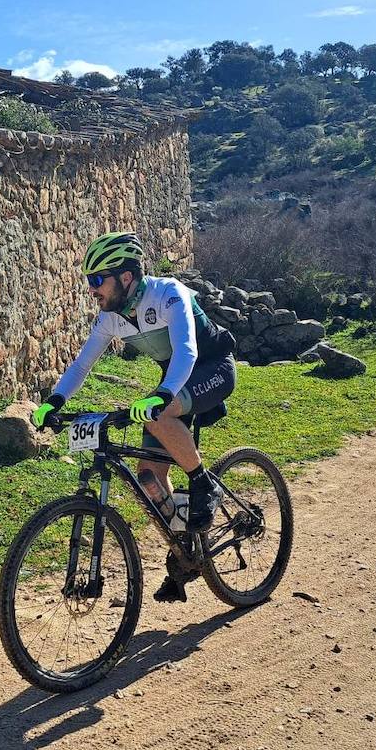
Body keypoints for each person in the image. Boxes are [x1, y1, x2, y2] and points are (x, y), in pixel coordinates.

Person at [32, 231, 237, 603]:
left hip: (212, 368)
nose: (92, 290)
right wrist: (55, 401)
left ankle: (204, 483)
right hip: (173, 380)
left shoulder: (168, 293)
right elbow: (81, 365)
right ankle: (185, 554)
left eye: (98, 280)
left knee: (155, 416)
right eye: (88, 281)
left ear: (125, 277)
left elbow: (187, 352)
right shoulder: (112, 317)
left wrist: (162, 395)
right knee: (148, 478)